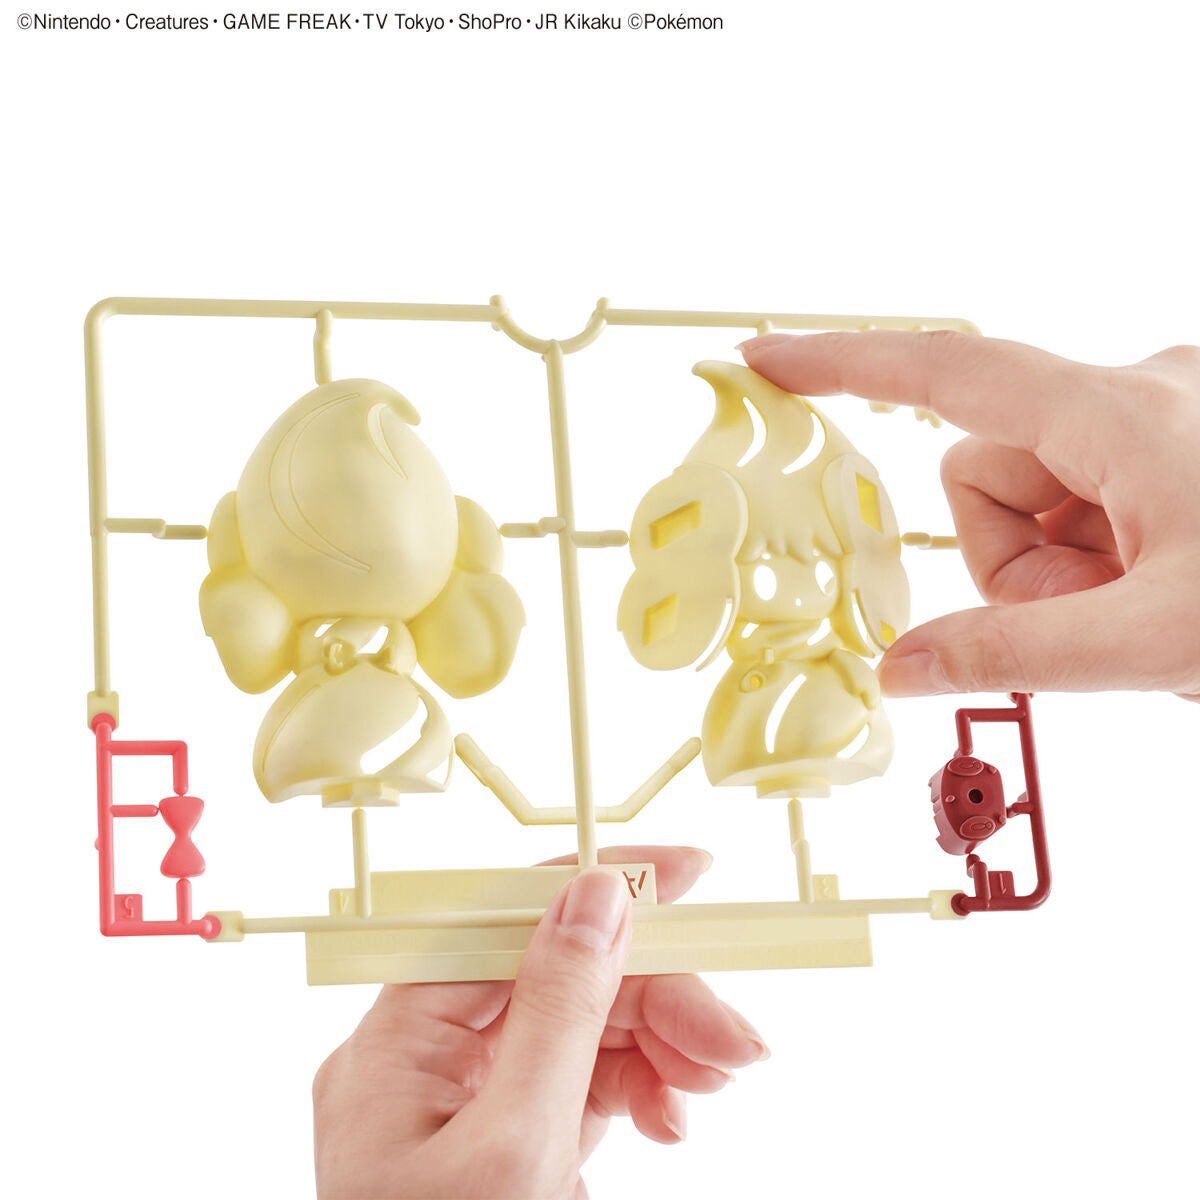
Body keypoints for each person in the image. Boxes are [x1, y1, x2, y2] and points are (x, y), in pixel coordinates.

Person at [312, 331, 1200, 1198]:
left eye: (809, 562)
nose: (790, 584)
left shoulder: (838, 677)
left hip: (813, 716)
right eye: (763, 565)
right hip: (748, 717)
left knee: (799, 741)